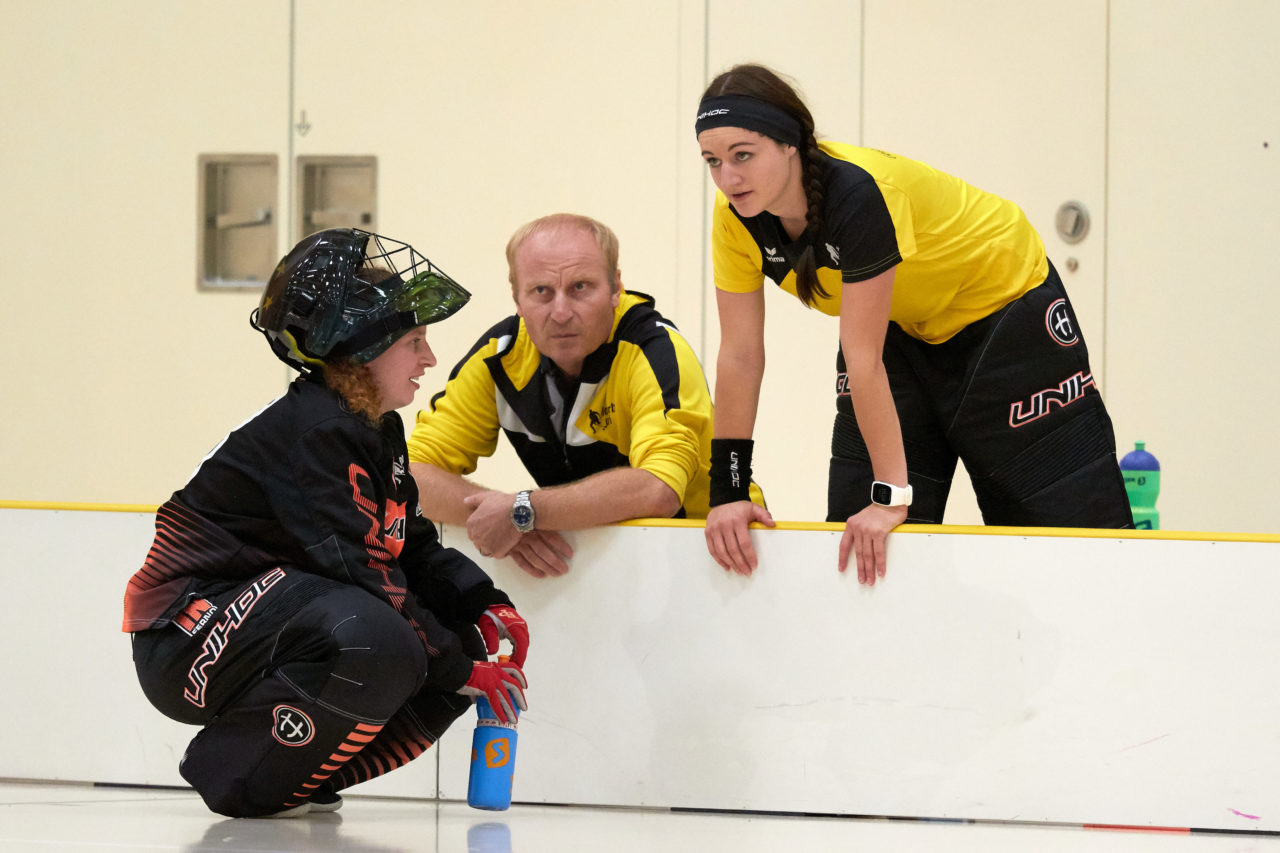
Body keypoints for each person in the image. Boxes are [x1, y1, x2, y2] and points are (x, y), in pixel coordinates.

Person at [122, 228, 531, 819]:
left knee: (452, 637)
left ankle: (294, 775)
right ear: (365, 349)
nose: (430, 359)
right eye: (416, 340)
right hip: (183, 639)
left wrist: (483, 603)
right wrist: (461, 669)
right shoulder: (317, 430)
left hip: (251, 620)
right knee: (381, 631)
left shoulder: (373, 426)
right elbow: (363, 570)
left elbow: (405, 543)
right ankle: (236, 775)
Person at [694, 63, 1133, 586]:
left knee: (1066, 539)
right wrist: (729, 493)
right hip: (902, 324)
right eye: (713, 161)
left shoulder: (858, 193)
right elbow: (741, 355)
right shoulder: (733, 218)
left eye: (743, 155)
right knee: (861, 536)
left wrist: (891, 495)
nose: (728, 178)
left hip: (1002, 306)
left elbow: (862, 357)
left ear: (791, 142)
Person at [408, 213, 763, 578]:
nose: (561, 313)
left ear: (616, 289)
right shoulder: (500, 356)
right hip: (598, 564)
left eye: (580, 287)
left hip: (717, 558)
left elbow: (658, 489)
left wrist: (523, 511)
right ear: (516, 298)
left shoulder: (653, 350)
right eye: (541, 291)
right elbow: (409, 474)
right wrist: (503, 521)